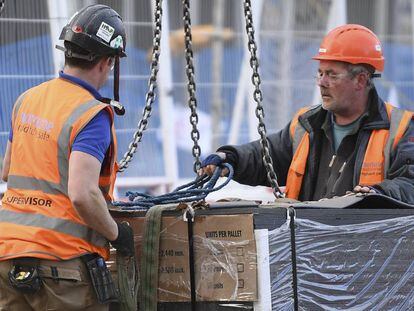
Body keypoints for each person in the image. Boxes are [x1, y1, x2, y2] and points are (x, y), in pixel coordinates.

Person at [0, 4, 134, 310]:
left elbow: (7, 171)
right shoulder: (91, 114)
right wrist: (116, 234)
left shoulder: (28, 99)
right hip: (61, 265)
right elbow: (82, 194)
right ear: (107, 62)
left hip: (7, 255)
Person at [200, 24, 414, 204]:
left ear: (361, 80)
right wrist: (230, 158)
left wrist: (379, 195)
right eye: (320, 73)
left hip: (369, 248)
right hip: (306, 246)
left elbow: (410, 183)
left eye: (331, 75)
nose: (321, 82)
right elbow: (265, 155)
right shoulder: (306, 125)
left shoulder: (401, 128)